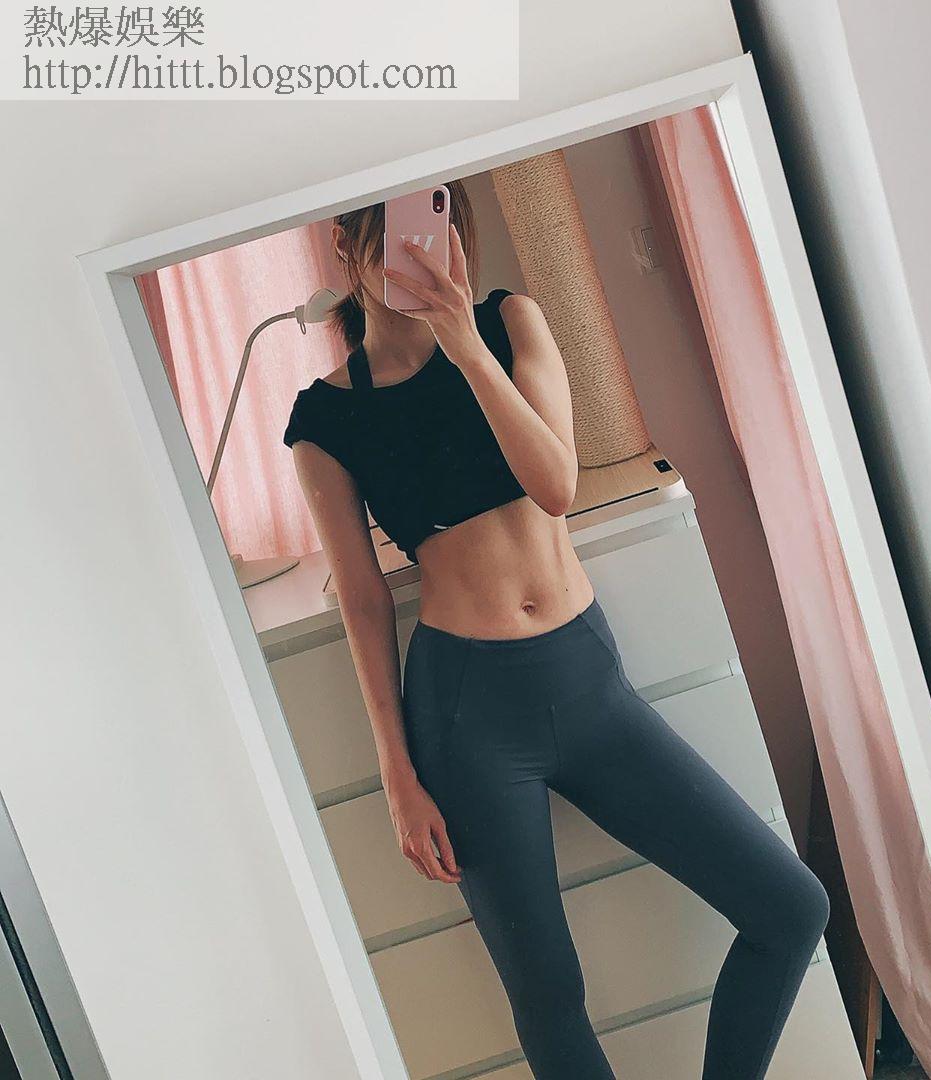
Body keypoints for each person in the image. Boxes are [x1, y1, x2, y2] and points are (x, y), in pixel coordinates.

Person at [283, 182, 830, 1079]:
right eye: (396, 244)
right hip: (467, 718)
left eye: (438, 234)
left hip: (586, 680)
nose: (423, 259)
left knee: (790, 907)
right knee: (548, 995)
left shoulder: (510, 323)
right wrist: (397, 776)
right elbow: (364, 601)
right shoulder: (324, 419)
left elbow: (556, 485)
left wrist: (465, 346)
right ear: (347, 247)